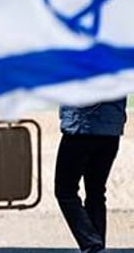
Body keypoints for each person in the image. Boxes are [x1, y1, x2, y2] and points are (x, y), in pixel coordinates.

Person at [55, 99, 128, 253]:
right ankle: (97, 245)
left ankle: (92, 244)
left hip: (81, 128)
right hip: (111, 131)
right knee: (96, 192)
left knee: (65, 191)